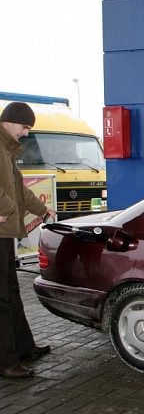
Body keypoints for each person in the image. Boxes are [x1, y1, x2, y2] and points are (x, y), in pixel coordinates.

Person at [0, 102, 56, 378]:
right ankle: (6, 362)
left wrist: (42, 210)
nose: (25, 133)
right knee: (2, 297)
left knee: (11, 292)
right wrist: (4, 210)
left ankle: (23, 347)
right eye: (24, 127)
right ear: (10, 121)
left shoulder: (7, 151)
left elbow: (19, 190)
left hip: (6, 231)